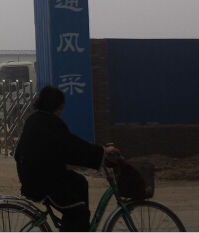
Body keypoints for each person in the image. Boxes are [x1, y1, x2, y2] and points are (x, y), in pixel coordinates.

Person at [14, 86, 120, 232]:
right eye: (61, 108)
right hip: (42, 182)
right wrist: (102, 152)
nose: (61, 112)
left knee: (80, 183)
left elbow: (70, 145)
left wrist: (97, 152)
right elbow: (72, 147)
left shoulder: (36, 119)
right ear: (54, 106)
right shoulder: (49, 123)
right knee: (80, 212)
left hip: (39, 175)